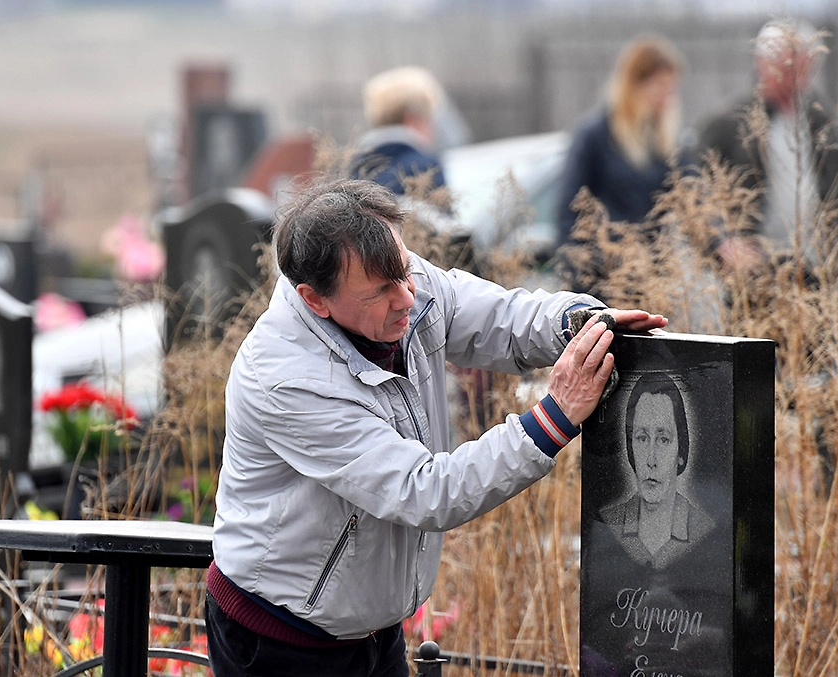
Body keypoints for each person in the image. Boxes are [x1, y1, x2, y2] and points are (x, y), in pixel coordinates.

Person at [205, 178, 667, 677]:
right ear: (315, 300)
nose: (407, 298)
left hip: (372, 630)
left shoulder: (392, 275)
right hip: (280, 640)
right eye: (381, 292)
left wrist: (578, 323)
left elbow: (501, 318)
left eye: (405, 271)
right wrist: (555, 416)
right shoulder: (286, 378)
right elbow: (424, 492)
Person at [697, 18, 838, 278]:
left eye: (801, 70)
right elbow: (697, 194)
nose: (794, 80)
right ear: (762, 65)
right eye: (785, 69)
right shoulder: (730, 125)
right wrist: (721, 242)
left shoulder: (823, 124)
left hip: (812, 269)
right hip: (753, 272)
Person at [554, 35, 684, 254]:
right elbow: (569, 211)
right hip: (603, 267)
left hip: (652, 269)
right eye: (660, 87)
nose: (666, 98)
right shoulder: (594, 136)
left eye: (670, 89)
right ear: (634, 84)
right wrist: (577, 265)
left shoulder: (667, 145)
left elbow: (694, 194)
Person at [598, 372, 713, 570]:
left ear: (681, 451)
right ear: (630, 447)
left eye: (663, 440)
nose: (651, 460)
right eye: (642, 438)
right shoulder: (607, 524)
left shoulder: (704, 531)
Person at [351, 66, 448, 197]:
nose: (433, 130)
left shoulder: (357, 166)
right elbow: (438, 210)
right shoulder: (426, 167)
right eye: (429, 120)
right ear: (412, 120)